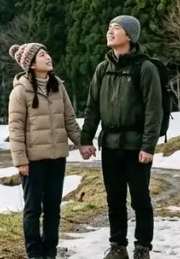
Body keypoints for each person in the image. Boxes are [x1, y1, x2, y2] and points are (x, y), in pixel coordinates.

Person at [79, 15, 163, 259]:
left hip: (136, 146)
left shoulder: (144, 68)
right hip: (110, 145)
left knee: (140, 199)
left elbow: (153, 111)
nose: (110, 32)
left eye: (116, 28)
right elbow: (92, 107)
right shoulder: (102, 69)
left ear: (130, 35)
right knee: (114, 199)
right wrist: (86, 139)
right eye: (109, 28)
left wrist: (149, 146)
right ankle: (118, 246)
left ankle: (142, 248)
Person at [8, 42, 82, 259]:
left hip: (57, 157)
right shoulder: (20, 92)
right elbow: (15, 129)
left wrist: (82, 144)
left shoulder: (58, 86)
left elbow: (69, 119)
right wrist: (20, 160)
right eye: (42, 55)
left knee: (53, 208)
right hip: (32, 161)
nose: (48, 57)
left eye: (47, 53)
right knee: (32, 209)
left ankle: (50, 252)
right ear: (31, 64)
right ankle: (34, 254)